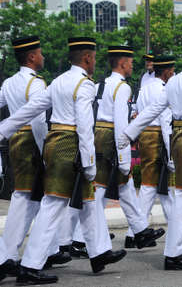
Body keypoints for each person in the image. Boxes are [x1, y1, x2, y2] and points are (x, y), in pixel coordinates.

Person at [0, 37, 127, 284]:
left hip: (57, 142)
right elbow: (84, 125)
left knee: (88, 199)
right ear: (88, 58)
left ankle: (99, 253)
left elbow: (32, 108)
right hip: (69, 144)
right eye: (94, 58)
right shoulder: (84, 84)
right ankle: (30, 266)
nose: (95, 62)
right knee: (53, 205)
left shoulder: (59, 81)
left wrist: (4, 129)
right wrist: (90, 162)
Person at [118, 36, 182, 270]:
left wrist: (129, 132)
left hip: (180, 137)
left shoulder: (175, 82)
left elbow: (153, 109)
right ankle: (175, 253)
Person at [94, 46, 159, 250]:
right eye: (130, 62)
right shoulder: (122, 87)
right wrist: (124, 158)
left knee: (125, 186)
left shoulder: (101, 84)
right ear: (122, 63)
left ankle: (140, 231)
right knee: (99, 190)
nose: (132, 66)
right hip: (111, 137)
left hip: (99, 133)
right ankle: (78, 238)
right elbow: (121, 123)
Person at [124, 55, 175, 248]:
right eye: (171, 70)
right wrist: (170, 153)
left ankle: (176, 221)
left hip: (145, 135)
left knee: (160, 184)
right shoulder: (163, 90)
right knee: (150, 185)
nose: (173, 73)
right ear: (166, 71)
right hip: (157, 137)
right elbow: (165, 122)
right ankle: (133, 233)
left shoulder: (144, 88)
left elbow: (135, 111)